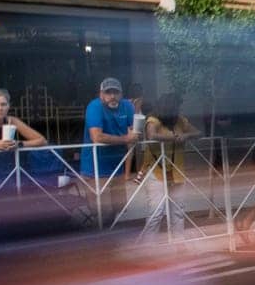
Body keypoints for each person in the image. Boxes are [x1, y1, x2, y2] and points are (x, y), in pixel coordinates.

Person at [141, 93, 199, 239]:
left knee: (178, 210)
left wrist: (187, 136)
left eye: (177, 107)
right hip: (157, 171)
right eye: (174, 106)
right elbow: (152, 135)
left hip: (176, 172)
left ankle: (179, 244)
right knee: (156, 212)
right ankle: (148, 247)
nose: (176, 109)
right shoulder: (153, 119)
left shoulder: (180, 120)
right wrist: (174, 138)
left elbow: (199, 132)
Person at [81, 77, 138, 182]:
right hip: (94, 168)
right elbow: (97, 137)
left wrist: (127, 173)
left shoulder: (127, 106)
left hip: (117, 165)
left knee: (121, 198)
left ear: (121, 94)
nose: (112, 96)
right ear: (101, 94)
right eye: (108, 92)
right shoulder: (94, 106)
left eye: (116, 92)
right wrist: (126, 139)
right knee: (100, 198)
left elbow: (133, 136)